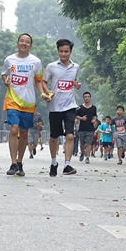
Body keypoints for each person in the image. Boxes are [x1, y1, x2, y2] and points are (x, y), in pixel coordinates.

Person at [1, 33, 47, 177]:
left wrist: (42, 94)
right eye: (22, 41)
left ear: (30, 45)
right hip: (12, 100)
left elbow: (38, 80)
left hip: (28, 102)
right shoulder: (10, 59)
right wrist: (6, 80)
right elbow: (4, 74)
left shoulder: (36, 61)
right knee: (14, 129)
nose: (24, 43)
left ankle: (20, 162)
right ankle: (13, 163)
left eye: (27, 42)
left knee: (24, 132)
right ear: (17, 43)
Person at [43, 38, 81, 177]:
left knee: (70, 136)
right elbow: (43, 82)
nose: (64, 54)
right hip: (55, 107)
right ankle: (54, 163)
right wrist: (47, 93)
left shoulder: (75, 67)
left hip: (70, 106)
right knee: (54, 137)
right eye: (61, 51)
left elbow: (72, 81)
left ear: (70, 52)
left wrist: (77, 84)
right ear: (58, 51)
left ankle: (67, 165)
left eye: (66, 51)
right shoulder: (51, 66)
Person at [76, 92, 97, 164]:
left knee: (89, 143)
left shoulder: (93, 108)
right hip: (82, 128)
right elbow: (76, 116)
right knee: (82, 143)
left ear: (90, 98)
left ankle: (87, 157)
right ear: (83, 98)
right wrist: (81, 118)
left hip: (90, 128)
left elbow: (95, 115)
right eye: (85, 97)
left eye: (88, 97)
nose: (87, 98)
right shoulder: (79, 107)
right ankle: (82, 152)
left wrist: (94, 120)